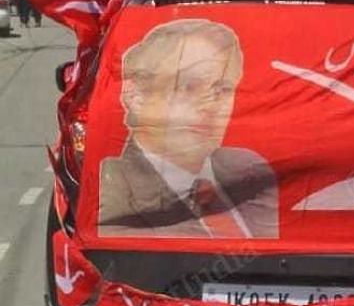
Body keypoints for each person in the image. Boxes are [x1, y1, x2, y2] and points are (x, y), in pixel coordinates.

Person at [98, 19, 279, 238]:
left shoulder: (250, 170)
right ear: (135, 95)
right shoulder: (109, 190)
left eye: (222, 90)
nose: (210, 105)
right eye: (188, 87)